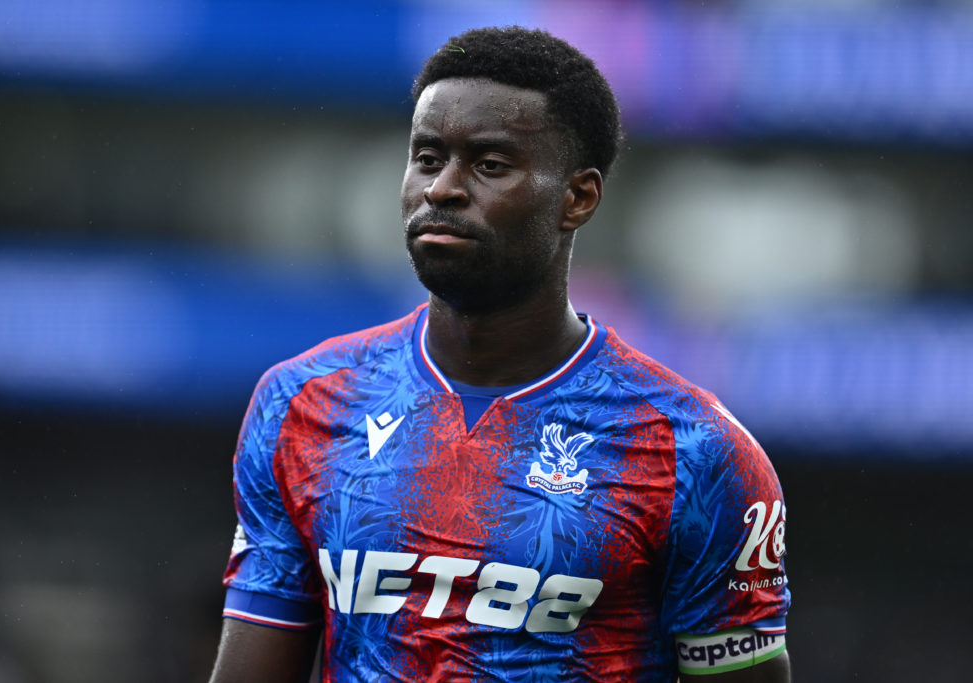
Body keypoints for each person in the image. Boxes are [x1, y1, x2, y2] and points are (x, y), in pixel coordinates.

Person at [209, 26, 791, 683]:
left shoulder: (692, 450)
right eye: (428, 158)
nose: (443, 189)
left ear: (579, 197)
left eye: (489, 165)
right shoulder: (305, 403)